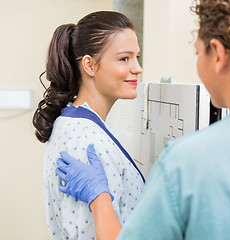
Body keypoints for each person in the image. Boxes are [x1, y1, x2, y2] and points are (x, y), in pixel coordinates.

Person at [56, 0, 230, 239]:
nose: (137, 67)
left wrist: (99, 197)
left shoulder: (187, 162)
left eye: (198, 52)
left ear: (217, 54)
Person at [32, 11, 145, 240]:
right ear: (90, 65)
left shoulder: (73, 121)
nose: (137, 68)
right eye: (125, 58)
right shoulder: (88, 143)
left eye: (137, 57)